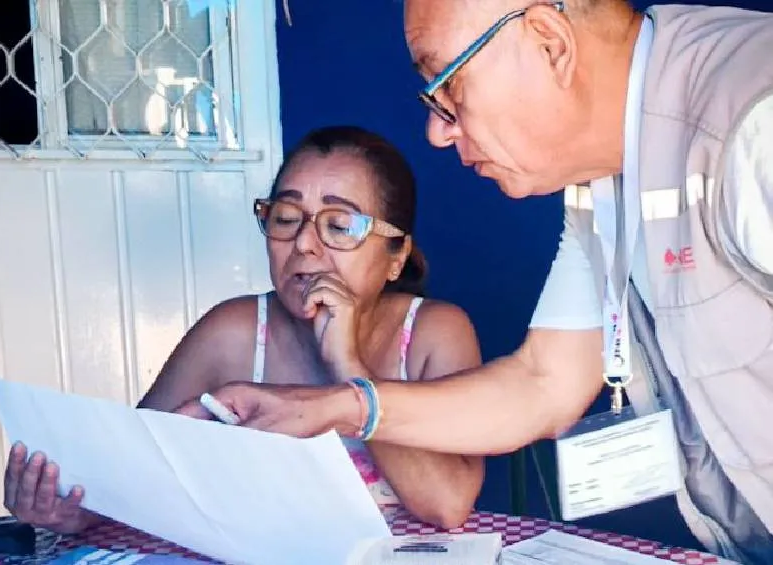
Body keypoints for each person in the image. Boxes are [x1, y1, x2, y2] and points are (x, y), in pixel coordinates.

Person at [176, 1, 773, 563]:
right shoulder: (599, 186)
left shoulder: (755, 122)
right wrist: (340, 404)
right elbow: (542, 382)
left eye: (448, 85)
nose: (437, 131)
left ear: (549, 43)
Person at [2, 125, 486, 535]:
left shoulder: (432, 335)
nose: (304, 244)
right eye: (286, 218)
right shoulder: (233, 332)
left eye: (339, 225)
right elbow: (123, 476)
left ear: (396, 255)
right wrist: (65, 509)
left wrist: (348, 367)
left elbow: (446, 505)